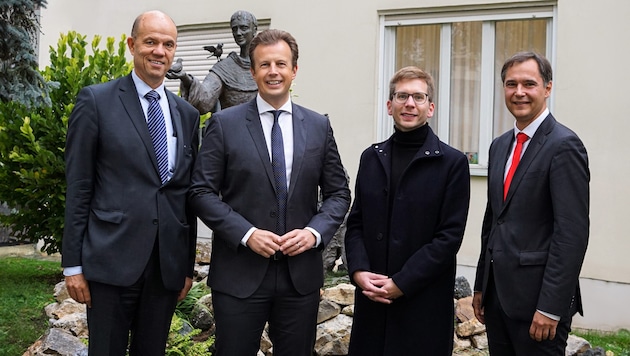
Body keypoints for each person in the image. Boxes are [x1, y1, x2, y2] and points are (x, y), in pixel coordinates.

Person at [188, 29, 350, 355]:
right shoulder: (224, 124)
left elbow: (338, 193)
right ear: (252, 72)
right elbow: (201, 192)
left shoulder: (319, 126)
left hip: (299, 278)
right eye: (264, 65)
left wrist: (314, 234)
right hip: (238, 275)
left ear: (294, 70)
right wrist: (246, 234)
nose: (273, 71)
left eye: (281, 63)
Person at [62, 10, 200, 355]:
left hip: (165, 268)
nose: (159, 51)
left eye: (168, 44)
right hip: (110, 262)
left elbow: (185, 196)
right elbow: (79, 186)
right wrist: (73, 265)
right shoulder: (96, 101)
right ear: (132, 45)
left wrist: (185, 267)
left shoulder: (187, 115)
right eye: (150, 42)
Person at [344, 66, 471, 355]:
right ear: (390, 106)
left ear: (431, 107)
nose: (409, 104)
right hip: (373, 299)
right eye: (402, 96)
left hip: (422, 302)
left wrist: (402, 282)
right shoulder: (371, 157)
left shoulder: (451, 163)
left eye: (418, 97)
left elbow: (448, 237)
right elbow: (356, 224)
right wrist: (359, 271)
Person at [473, 51, 589, 355]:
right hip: (498, 299)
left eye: (529, 84)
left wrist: (550, 307)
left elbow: (571, 234)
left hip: (539, 305)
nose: (519, 92)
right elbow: (493, 221)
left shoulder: (564, 146)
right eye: (511, 84)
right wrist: (480, 285)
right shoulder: (499, 146)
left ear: (547, 88)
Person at [166, 10, 258, 115]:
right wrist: (186, 79)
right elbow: (204, 100)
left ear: (254, 30)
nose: (238, 33)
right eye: (234, 29)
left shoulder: (267, 65)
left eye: (244, 28)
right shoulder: (224, 68)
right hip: (233, 129)